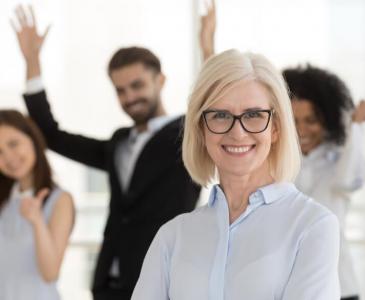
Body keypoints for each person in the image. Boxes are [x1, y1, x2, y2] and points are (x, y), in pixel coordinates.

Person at [12, 6, 201, 299]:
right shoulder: (118, 143)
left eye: (137, 86)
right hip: (108, 285)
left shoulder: (189, 136)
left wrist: (208, 50)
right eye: (120, 90)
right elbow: (50, 135)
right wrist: (32, 63)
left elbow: (216, 113)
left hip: (162, 282)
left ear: (160, 81)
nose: (129, 98)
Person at [132, 49, 341, 299]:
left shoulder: (313, 226)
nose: (238, 132)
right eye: (220, 115)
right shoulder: (172, 237)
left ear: (275, 128)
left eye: (253, 115)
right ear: (201, 130)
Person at [283, 65, 365, 300]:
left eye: (311, 120)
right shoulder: (276, 164)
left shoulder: (340, 158)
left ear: (327, 121)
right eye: (293, 120)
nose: (301, 130)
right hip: (287, 287)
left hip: (339, 286)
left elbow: (348, 180)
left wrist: (355, 125)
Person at [0, 110, 75, 299]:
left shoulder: (60, 200)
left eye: (13, 144)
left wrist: (36, 221)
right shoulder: (5, 201)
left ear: (33, 139)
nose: (8, 157)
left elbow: (50, 274)